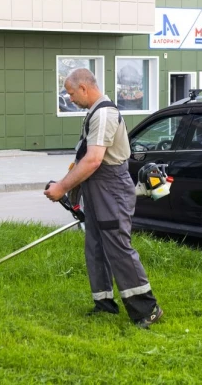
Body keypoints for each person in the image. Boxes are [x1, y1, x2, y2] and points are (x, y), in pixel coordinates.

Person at [44, 68, 163, 329]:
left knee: (118, 248)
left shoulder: (105, 114)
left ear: (84, 88)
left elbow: (95, 160)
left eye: (71, 93)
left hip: (111, 189)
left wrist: (62, 188)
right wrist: (69, 189)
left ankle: (148, 308)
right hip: (97, 189)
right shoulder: (93, 113)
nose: (70, 98)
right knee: (96, 246)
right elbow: (83, 158)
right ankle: (104, 304)